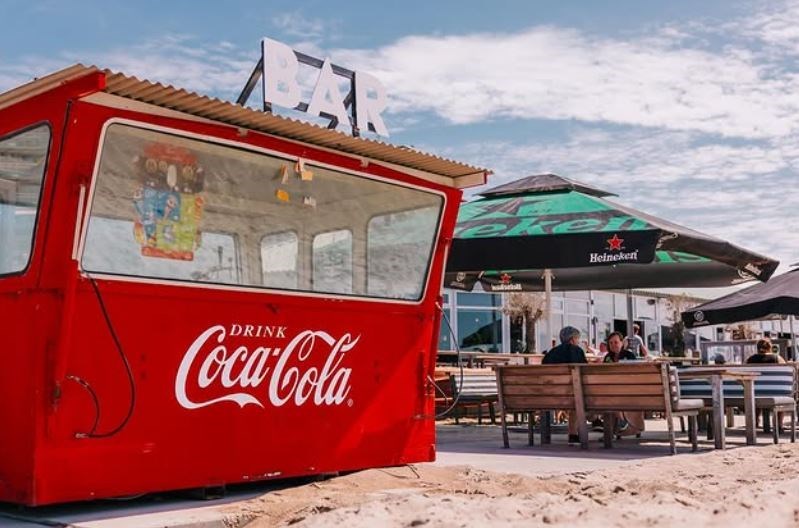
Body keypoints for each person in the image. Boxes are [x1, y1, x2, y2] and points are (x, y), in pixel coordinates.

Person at [542, 326, 587, 443]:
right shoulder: (577, 351)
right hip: (572, 396)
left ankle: (573, 433)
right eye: (578, 339)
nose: (578, 342)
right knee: (577, 395)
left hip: (550, 396)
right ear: (572, 339)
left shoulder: (550, 354)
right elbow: (585, 373)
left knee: (574, 394)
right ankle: (573, 433)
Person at [601, 332, 645, 436]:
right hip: (613, 389)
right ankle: (617, 426)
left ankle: (623, 422)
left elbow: (635, 374)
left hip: (628, 388)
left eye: (616, 342)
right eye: (611, 343)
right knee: (609, 398)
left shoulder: (628, 355)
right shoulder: (607, 357)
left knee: (615, 399)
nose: (613, 345)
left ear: (622, 343)